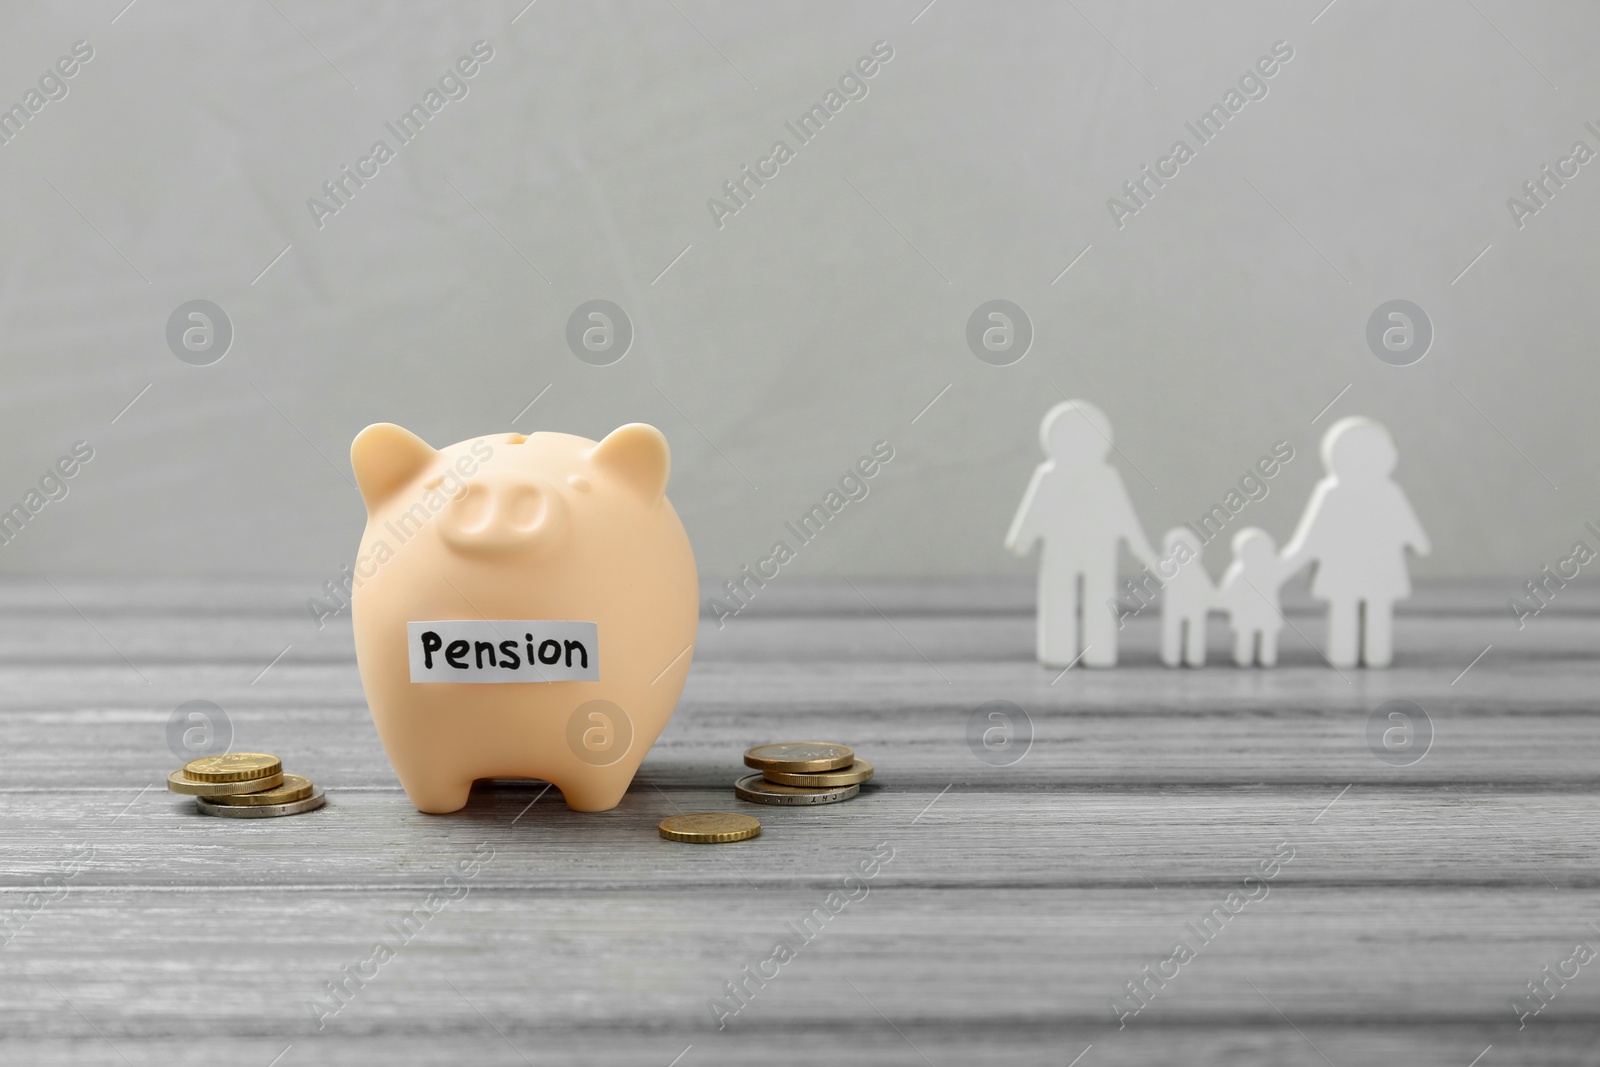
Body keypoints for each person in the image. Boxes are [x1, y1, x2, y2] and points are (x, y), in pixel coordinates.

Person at [1007, 400, 1158, 667]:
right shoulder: (1050, 477)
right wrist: (1022, 539)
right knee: (1058, 601)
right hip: (1062, 553)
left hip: (1097, 552)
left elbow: (1125, 519)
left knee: (1099, 602)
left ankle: (1097, 651)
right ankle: (1058, 650)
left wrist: (1144, 552)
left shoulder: (1106, 478)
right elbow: (1034, 512)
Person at [1280, 417, 1430, 668]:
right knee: (1346, 610)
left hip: (1370, 570)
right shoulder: (1334, 494)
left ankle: (1372, 654)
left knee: (1372, 610)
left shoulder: (1386, 493)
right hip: (1354, 571)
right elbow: (1311, 540)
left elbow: (1412, 534)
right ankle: (1350, 654)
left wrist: (1284, 565)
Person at [1218, 527, 1288, 667]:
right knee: (1245, 638)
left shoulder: (1271, 571)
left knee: (1267, 638)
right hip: (1246, 614)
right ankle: (1244, 658)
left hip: (1266, 613)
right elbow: (1230, 593)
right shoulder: (1240, 573)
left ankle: (1266, 658)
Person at [1158, 527, 1213, 667]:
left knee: (1195, 630)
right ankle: (1172, 657)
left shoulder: (1196, 571)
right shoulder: (1170, 570)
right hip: (1175, 607)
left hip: (1195, 607)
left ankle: (1194, 657)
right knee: (1173, 629)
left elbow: (1207, 588)